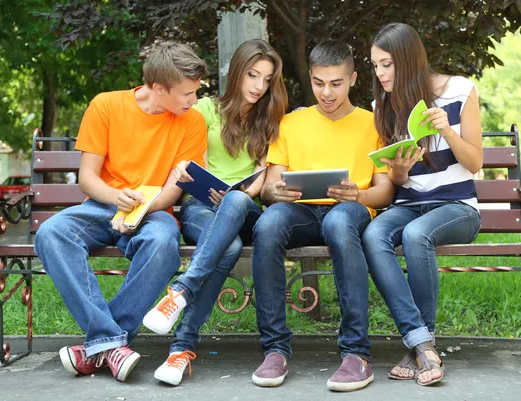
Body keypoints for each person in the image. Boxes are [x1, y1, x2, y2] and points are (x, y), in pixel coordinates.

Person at [34, 42, 208, 382]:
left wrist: (140, 210)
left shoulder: (193, 122)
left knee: (163, 241)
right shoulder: (106, 105)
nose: (193, 100)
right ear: (159, 88)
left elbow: (175, 189)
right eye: (186, 93)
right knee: (51, 232)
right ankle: (112, 342)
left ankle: (102, 345)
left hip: (154, 212)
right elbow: (87, 178)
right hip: (102, 205)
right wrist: (118, 199)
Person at [250, 39, 395, 392]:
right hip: (299, 210)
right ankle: (274, 349)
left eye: (336, 83)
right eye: (318, 83)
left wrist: (358, 194)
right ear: (311, 78)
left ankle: (356, 353)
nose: (326, 93)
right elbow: (269, 186)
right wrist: (275, 192)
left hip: (349, 210)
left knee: (340, 221)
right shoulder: (290, 123)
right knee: (267, 223)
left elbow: (385, 191)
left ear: (353, 79)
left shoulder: (373, 122)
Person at [142, 39, 288, 386]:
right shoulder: (206, 109)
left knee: (237, 202)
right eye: (253, 75)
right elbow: (195, 160)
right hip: (201, 205)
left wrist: (239, 193)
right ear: (237, 72)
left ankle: (180, 292)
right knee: (231, 247)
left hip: (245, 206)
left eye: (267, 79)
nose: (258, 86)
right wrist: (194, 178)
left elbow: (262, 176)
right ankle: (180, 351)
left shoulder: (269, 118)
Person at [363, 22, 483, 386]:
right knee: (373, 234)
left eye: (388, 64)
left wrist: (447, 130)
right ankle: (421, 343)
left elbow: (476, 162)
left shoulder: (460, 90)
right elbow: (397, 183)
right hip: (409, 204)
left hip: (458, 207)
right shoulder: (381, 104)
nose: (381, 73)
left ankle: (421, 344)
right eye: (375, 65)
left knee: (416, 235)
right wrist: (398, 170)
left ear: (408, 60)